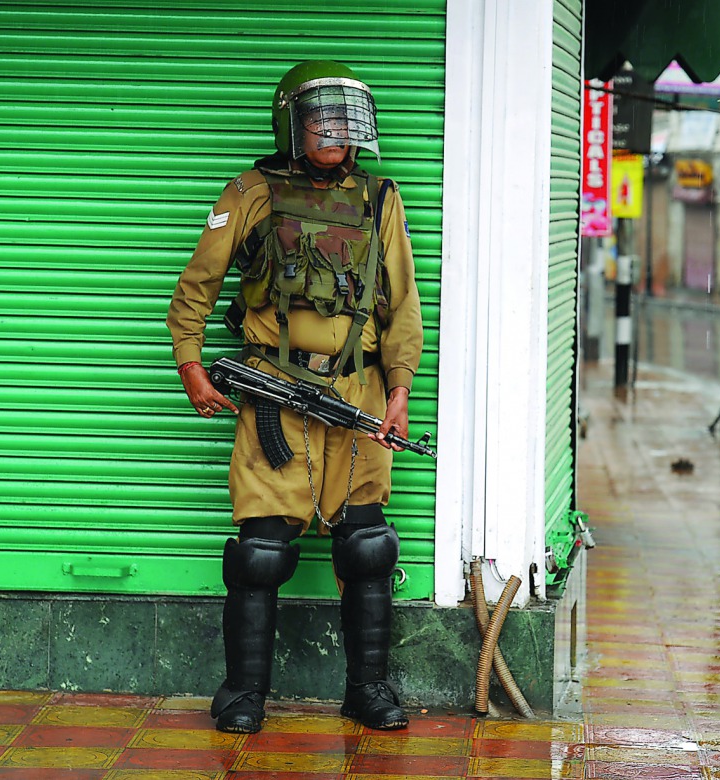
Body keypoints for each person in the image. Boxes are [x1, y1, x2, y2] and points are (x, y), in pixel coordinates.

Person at [166, 60, 423, 735]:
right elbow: (196, 287)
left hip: (358, 391)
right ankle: (242, 693)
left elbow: (403, 306)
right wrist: (191, 365)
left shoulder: (378, 198)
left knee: (367, 547)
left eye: (345, 121)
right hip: (274, 392)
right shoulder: (251, 192)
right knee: (261, 552)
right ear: (291, 125)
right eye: (320, 120)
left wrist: (398, 391)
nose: (335, 133)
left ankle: (367, 689)